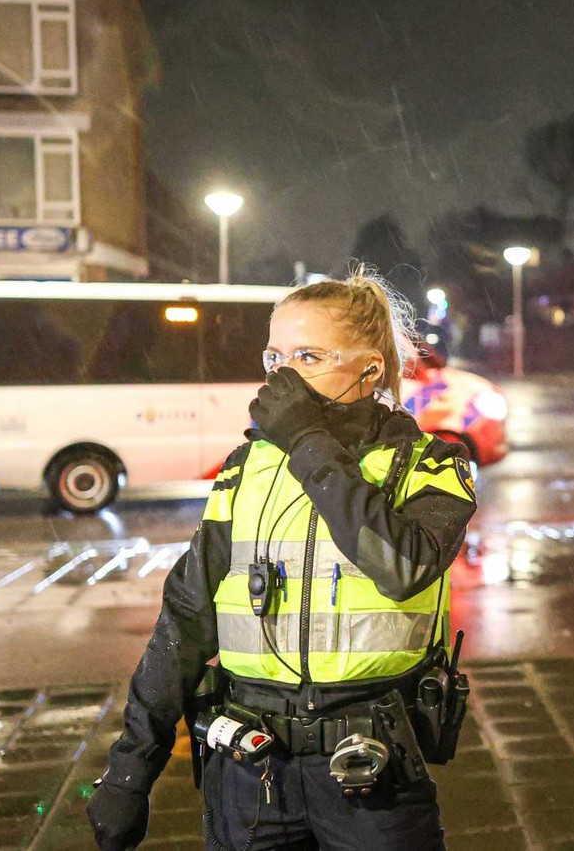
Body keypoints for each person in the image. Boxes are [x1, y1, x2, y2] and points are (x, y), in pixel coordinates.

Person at [87, 269, 477, 851]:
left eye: (310, 356)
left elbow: (401, 566)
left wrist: (305, 439)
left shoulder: (432, 463)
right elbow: (186, 619)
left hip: (373, 775)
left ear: (370, 368)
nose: (284, 376)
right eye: (275, 357)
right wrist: (129, 768)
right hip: (249, 774)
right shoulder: (246, 467)